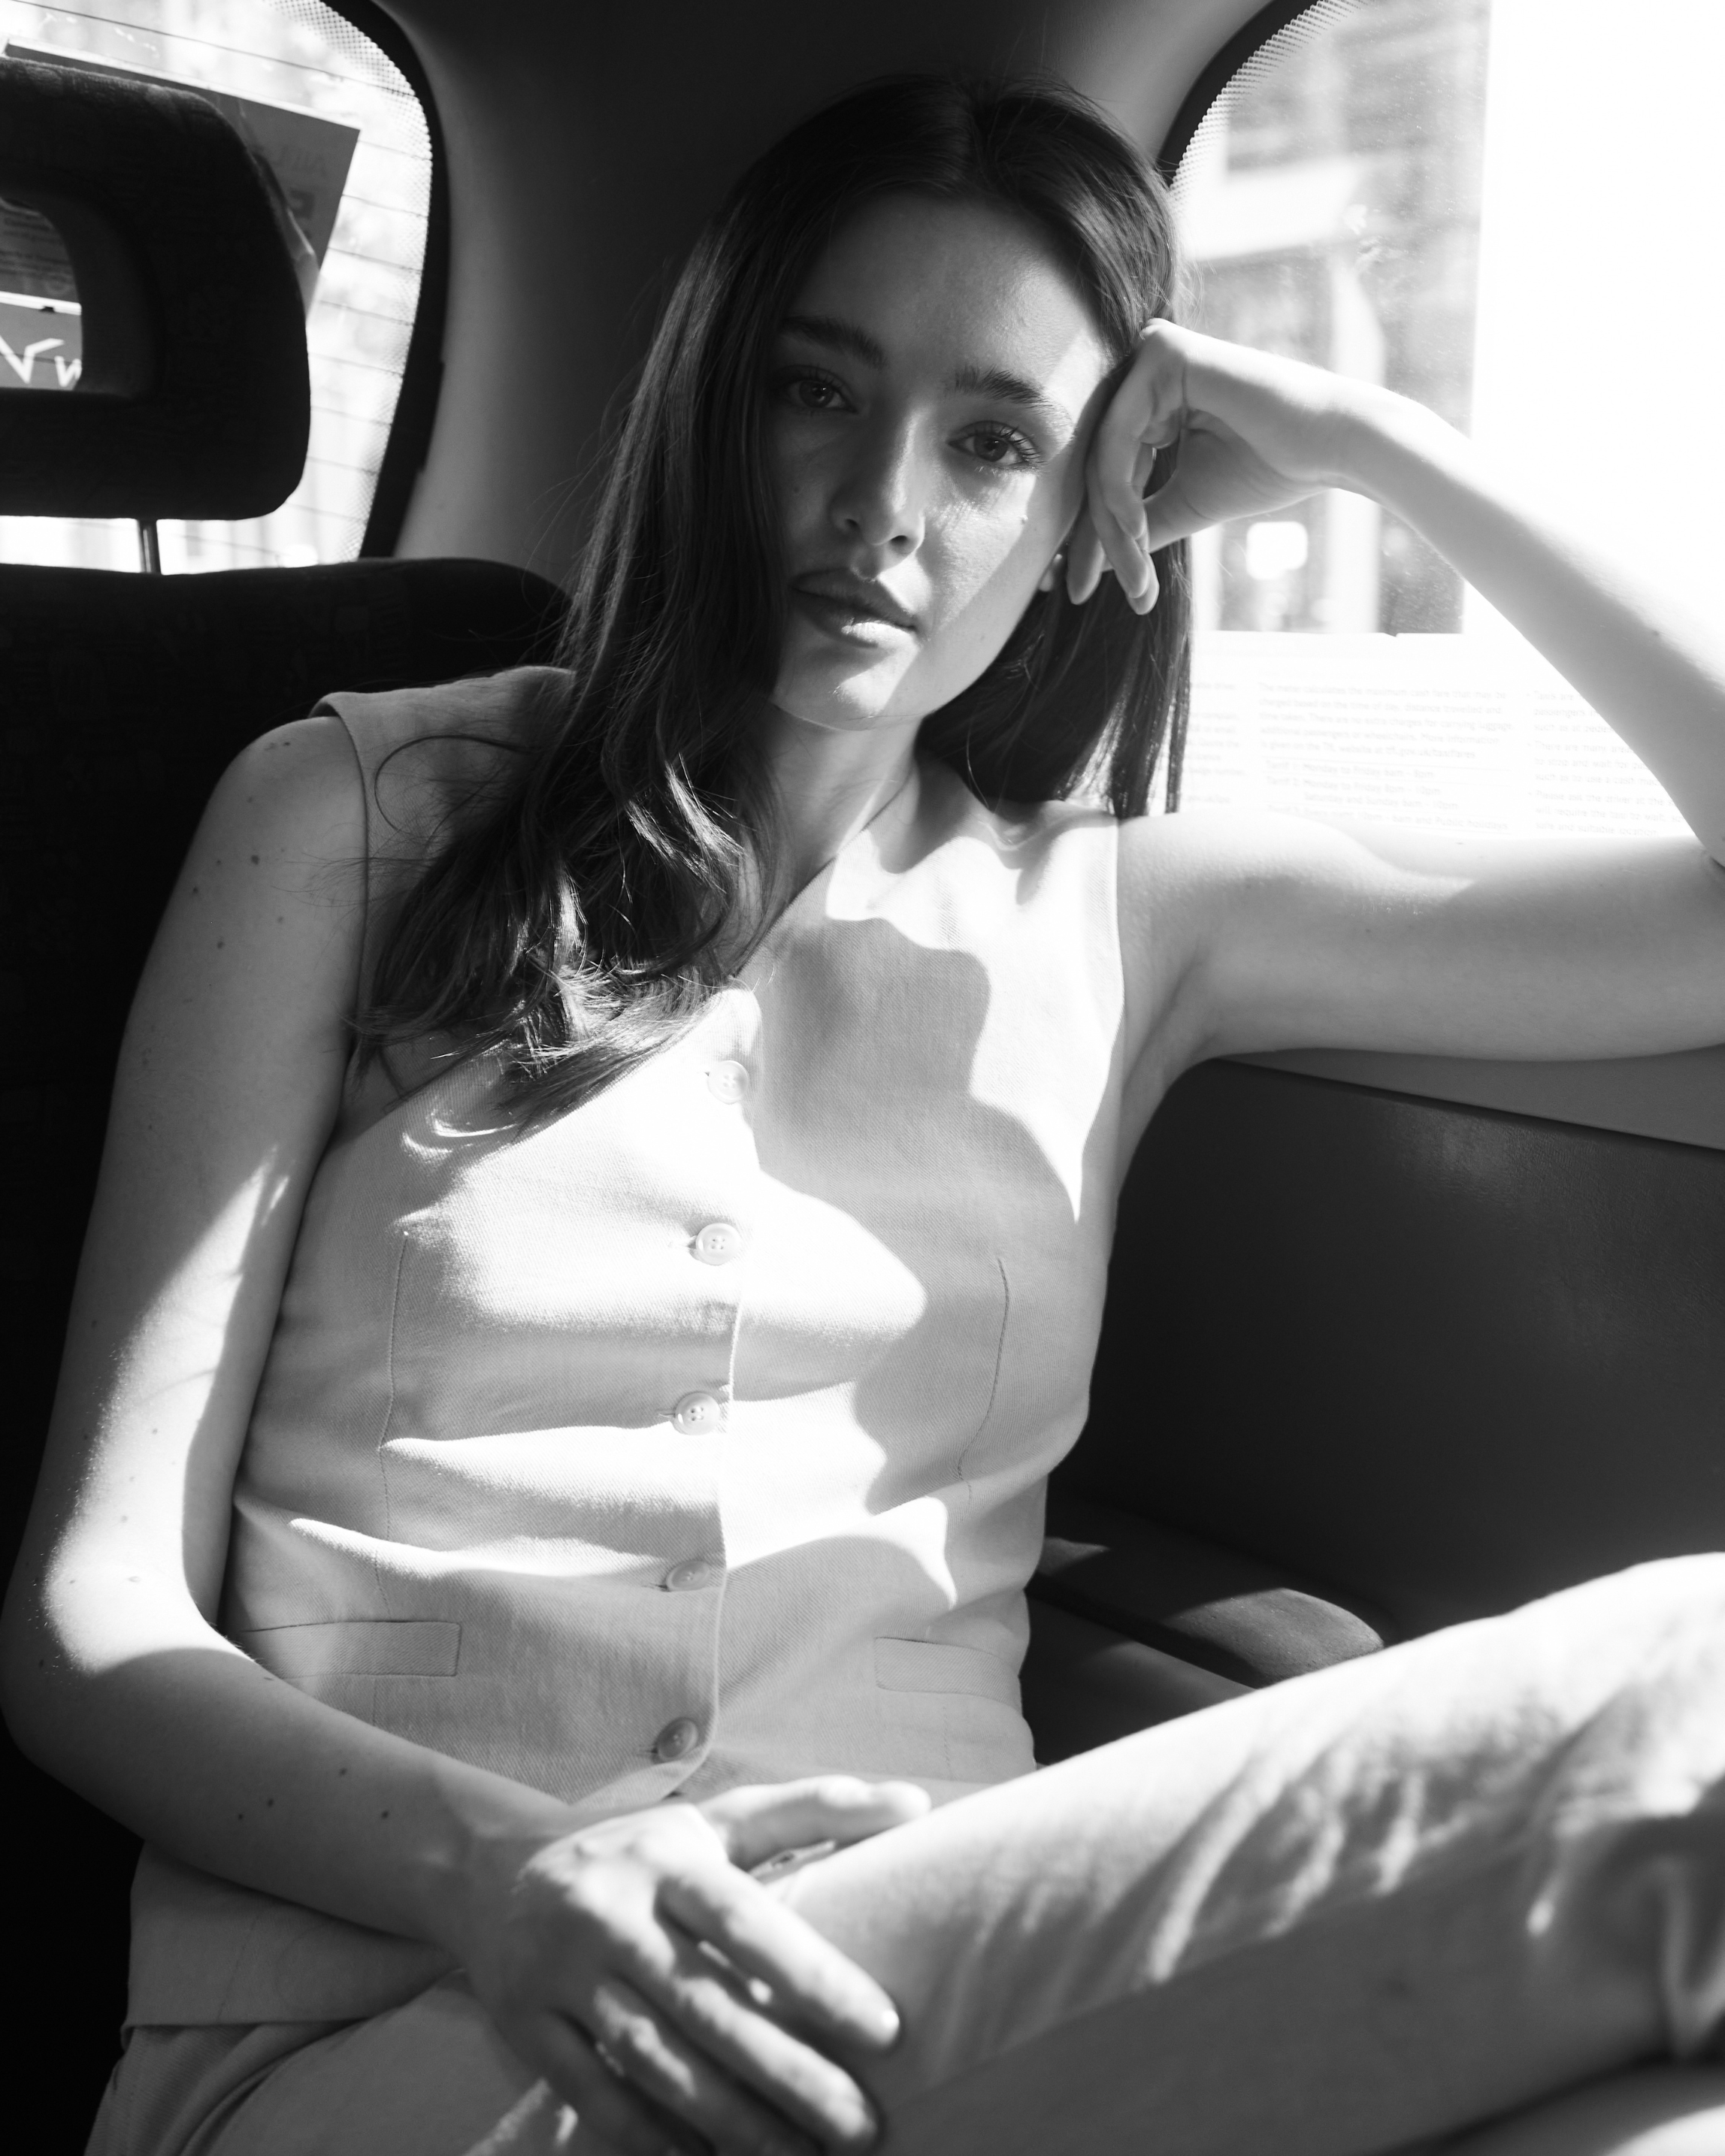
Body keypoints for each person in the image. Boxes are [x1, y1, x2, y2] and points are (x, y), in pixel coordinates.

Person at [7, 69, 1725, 2156]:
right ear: (709, 407)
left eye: (994, 442)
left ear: (1097, 504)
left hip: (916, 2020)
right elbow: (91, 1624)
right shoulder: (350, 815)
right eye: (815, 393)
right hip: (379, 2039)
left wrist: (1375, 445)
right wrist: (507, 1874)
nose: (883, 502)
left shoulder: (1130, 917)